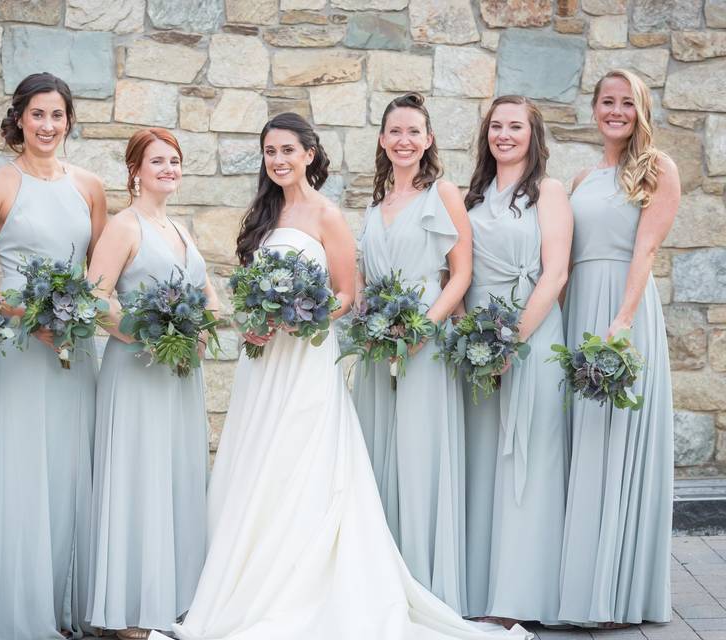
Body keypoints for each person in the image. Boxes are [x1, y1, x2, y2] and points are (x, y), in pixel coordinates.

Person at [159, 112, 527, 640]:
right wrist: (259, 323)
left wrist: (296, 318)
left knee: (302, 461)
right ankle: (244, 580)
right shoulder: (263, 216)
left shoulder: (328, 214)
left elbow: (346, 294)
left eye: (288, 150)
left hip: (306, 358)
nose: (279, 160)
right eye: (270, 152)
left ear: (310, 154)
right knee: (256, 459)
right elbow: (251, 290)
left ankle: (302, 584)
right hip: (263, 362)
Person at [0, 72, 107, 639]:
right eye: (37, 114)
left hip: (73, 348)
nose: (47, 126)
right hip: (17, 348)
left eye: (57, 116)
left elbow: (99, 270)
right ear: (19, 118)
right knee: (15, 468)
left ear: (69, 121)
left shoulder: (90, 186)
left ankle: (66, 606)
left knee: (67, 468)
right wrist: (25, 314)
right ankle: (10, 610)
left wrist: (79, 315)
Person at [82, 128, 219, 640]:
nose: (168, 169)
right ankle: (132, 611)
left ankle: (177, 598)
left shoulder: (180, 228)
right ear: (135, 171)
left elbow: (210, 297)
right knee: (139, 478)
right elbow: (96, 300)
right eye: (157, 161)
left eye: (175, 161)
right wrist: (150, 335)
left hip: (181, 374)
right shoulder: (124, 226)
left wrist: (200, 330)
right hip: (137, 371)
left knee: (176, 474)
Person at [558, 69, 680, 627]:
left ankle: (612, 592)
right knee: (580, 440)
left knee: (614, 439)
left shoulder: (657, 169)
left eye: (625, 103)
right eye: (606, 101)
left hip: (620, 312)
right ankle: (577, 584)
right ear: (595, 108)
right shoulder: (582, 177)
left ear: (641, 110)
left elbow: (646, 250)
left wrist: (623, 321)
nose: (614, 111)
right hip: (577, 308)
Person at [351, 93, 472, 613]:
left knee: (420, 453)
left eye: (414, 132)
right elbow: (360, 278)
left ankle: (426, 584)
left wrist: (423, 327)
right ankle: (383, 579)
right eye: (394, 132)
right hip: (380, 343)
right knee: (379, 451)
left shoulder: (442, 193)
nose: (404, 141)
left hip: (426, 336)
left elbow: (461, 273)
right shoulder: (374, 207)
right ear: (382, 140)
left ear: (428, 140)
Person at [462, 95, 571, 627]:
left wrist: (514, 343)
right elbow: (455, 271)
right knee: (486, 457)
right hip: (480, 340)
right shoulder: (474, 195)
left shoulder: (547, 191)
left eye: (515, 126)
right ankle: (483, 589)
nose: (504, 134)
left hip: (531, 332)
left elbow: (555, 274)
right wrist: (474, 337)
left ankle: (524, 595)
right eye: (496, 126)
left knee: (531, 458)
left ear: (534, 135)